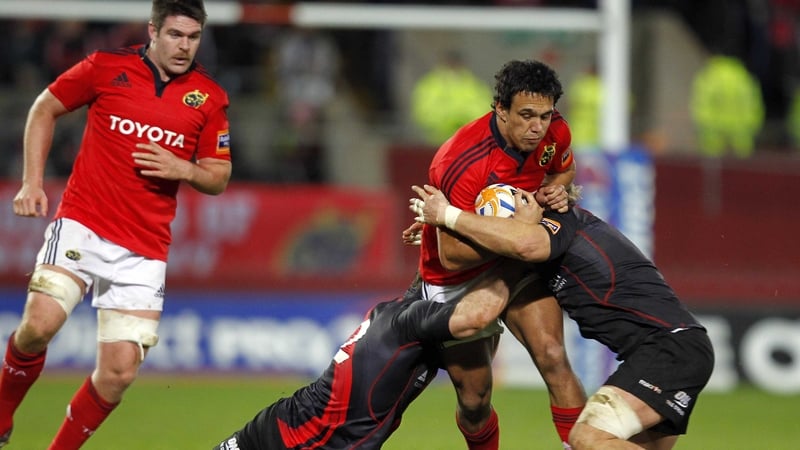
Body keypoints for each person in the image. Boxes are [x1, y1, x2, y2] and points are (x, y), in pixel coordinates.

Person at [1, 1, 232, 448]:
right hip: (83, 222)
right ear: (152, 31)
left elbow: (218, 175)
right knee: (40, 323)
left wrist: (184, 169)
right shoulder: (106, 68)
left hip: (144, 248)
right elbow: (43, 109)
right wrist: (31, 183)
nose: (184, 46)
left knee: (119, 372)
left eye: (193, 37)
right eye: (175, 35)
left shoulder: (209, 98)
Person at [410, 183, 715, 450]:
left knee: (586, 438)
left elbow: (518, 250)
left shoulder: (557, 222)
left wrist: (448, 216)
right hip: (668, 350)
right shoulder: (541, 246)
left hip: (667, 350)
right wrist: (438, 241)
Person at [412, 59, 586, 449]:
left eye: (544, 115)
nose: (537, 126)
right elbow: (453, 254)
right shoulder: (460, 160)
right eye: (525, 115)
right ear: (500, 109)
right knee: (474, 401)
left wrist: (556, 190)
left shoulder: (555, 132)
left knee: (554, 356)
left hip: (515, 263)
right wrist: (517, 234)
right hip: (457, 277)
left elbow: (562, 171)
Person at [214, 268, 530, 450]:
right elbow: (476, 316)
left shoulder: (397, 310)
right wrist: (513, 260)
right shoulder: (412, 320)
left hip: (289, 425)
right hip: (296, 440)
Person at [410, 50, 492, 146]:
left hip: (467, 143)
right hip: (435, 143)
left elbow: (485, 111)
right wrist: (453, 120)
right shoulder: (430, 85)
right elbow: (423, 112)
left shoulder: (475, 86)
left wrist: (461, 119)